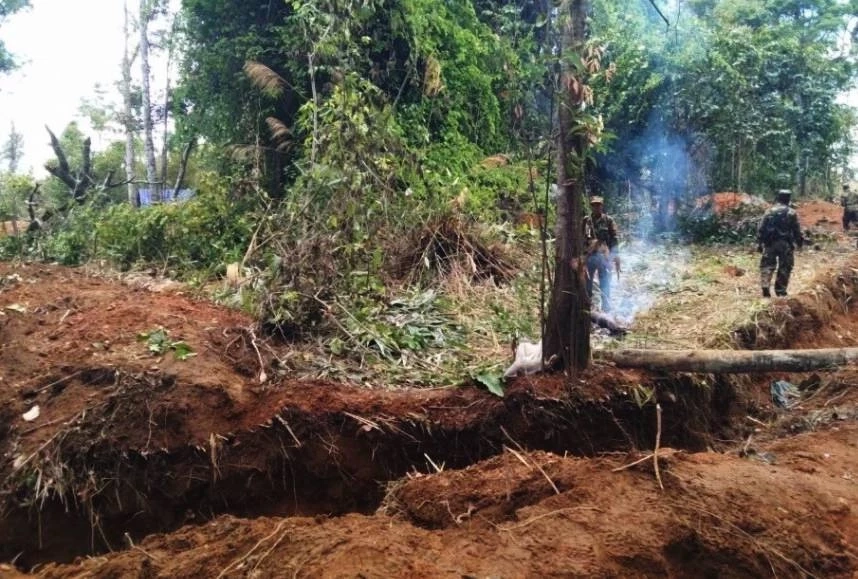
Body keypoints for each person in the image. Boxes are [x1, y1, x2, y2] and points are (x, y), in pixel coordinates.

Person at [757, 189, 803, 298]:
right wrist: (799, 242)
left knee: (767, 265)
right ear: (788, 199)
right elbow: (796, 230)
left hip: (770, 244)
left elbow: (761, 228)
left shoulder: (769, 211)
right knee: (785, 267)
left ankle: (765, 285)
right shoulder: (791, 213)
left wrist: (759, 243)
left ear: (778, 198)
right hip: (785, 244)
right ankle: (780, 290)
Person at [583, 196, 620, 312]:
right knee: (587, 283)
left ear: (602, 206)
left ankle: (606, 308)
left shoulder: (608, 220)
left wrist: (615, 255)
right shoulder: (586, 221)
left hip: (604, 256)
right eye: (594, 205)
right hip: (590, 256)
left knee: (605, 282)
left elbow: (614, 238)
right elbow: (580, 237)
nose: (596, 207)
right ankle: (587, 308)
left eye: (598, 205)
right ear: (591, 206)